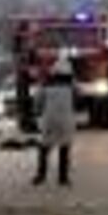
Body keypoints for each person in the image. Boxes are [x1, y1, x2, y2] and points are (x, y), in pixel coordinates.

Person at [33, 51, 77, 186]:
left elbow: (38, 101)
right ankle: (63, 178)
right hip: (65, 120)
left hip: (49, 119)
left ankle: (41, 176)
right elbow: (77, 100)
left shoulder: (46, 85)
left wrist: (37, 113)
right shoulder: (71, 86)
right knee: (64, 148)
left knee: (44, 147)